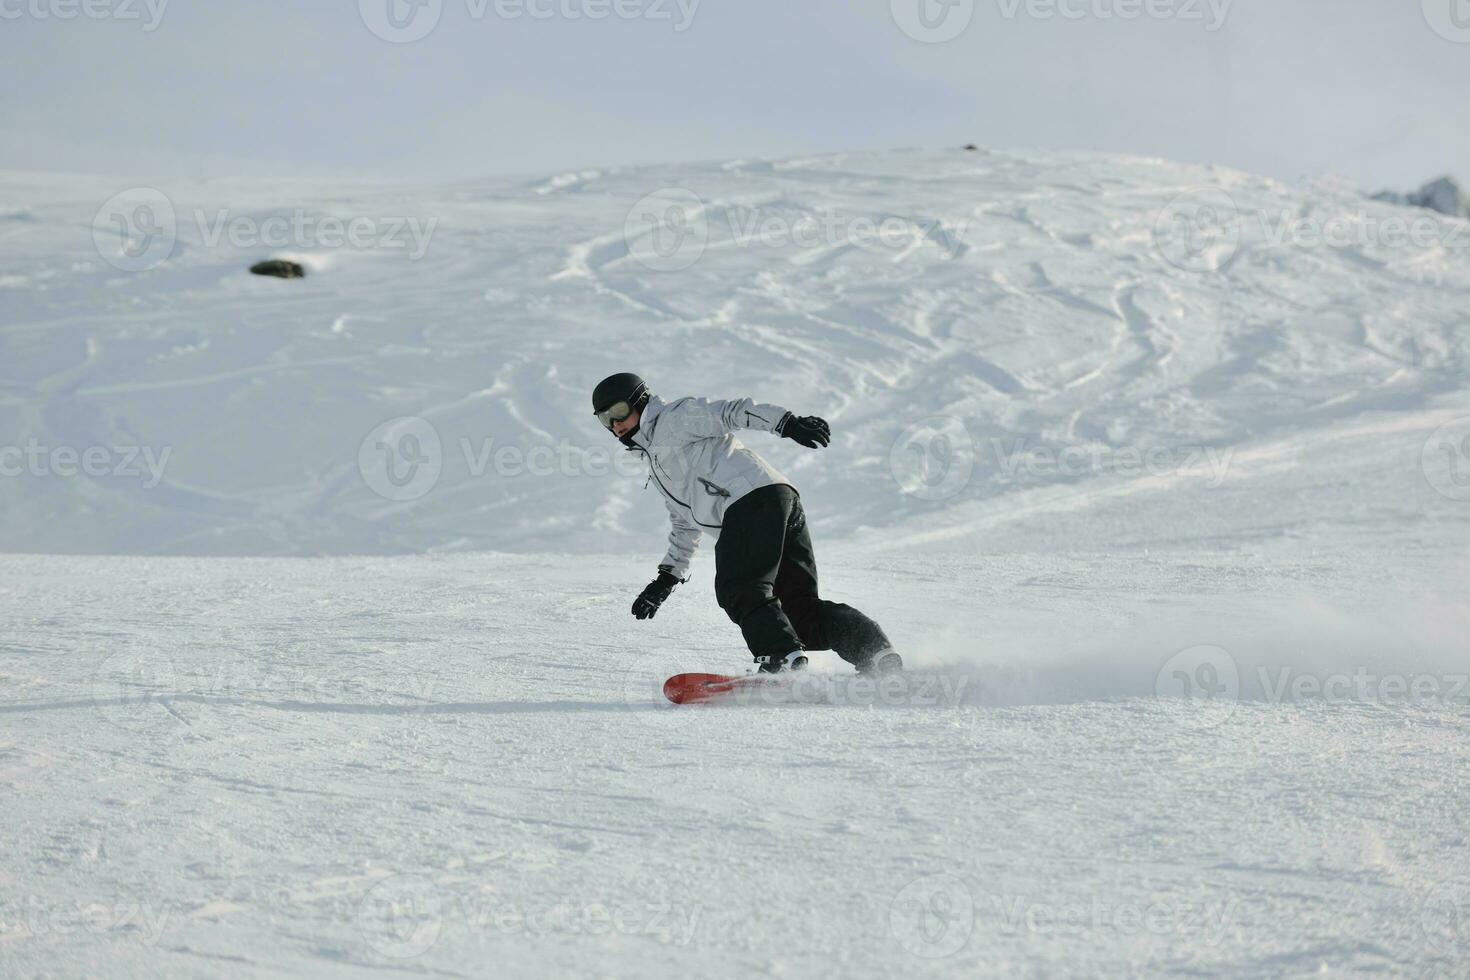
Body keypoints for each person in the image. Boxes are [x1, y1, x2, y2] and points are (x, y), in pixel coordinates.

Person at [592, 371, 901, 674]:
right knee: (797, 611)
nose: (615, 424)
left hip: (750, 500)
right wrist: (667, 578)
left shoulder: (674, 418)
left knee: (739, 587)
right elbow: (685, 521)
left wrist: (787, 423)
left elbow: (732, 412)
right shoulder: (656, 464)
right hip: (778, 503)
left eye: (619, 411)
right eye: (605, 419)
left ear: (640, 401)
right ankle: (875, 654)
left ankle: (780, 659)